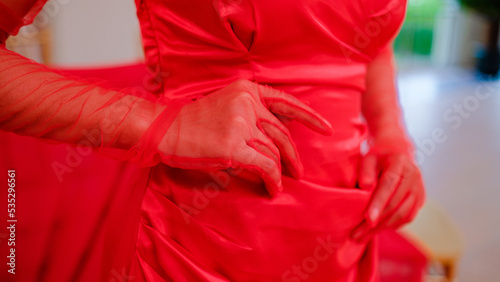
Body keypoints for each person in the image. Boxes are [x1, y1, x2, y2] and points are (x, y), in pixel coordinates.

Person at [0, 0, 425, 281]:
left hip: (345, 240)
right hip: (202, 246)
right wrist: (162, 123)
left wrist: (391, 138)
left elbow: (366, 42)